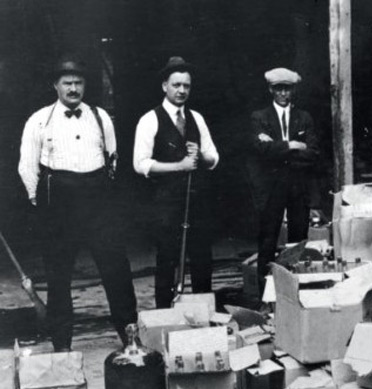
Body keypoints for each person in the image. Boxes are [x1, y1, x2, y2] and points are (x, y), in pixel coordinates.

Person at [17, 57, 137, 351]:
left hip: (98, 201)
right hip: (59, 204)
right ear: (55, 85)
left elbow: (113, 157)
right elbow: (27, 167)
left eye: (78, 83)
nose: (73, 88)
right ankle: (62, 348)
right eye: (67, 83)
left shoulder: (100, 117)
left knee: (117, 272)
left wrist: (101, 192)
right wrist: (41, 202)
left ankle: (132, 340)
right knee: (59, 278)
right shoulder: (39, 120)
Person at [133, 56, 220, 309]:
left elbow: (214, 158)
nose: (182, 91)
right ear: (164, 86)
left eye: (186, 86)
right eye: (176, 85)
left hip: (197, 201)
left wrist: (201, 155)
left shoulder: (197, 118)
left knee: (202, 259)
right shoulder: (149, 120)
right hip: (166, 203)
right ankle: (164, 317)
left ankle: (205, 318)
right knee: (167, 261)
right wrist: (178, 166)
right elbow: (140, 163)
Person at [247, 67, 322, 292]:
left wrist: (276, 148)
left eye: (287, 89)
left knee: (298, 239)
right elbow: (261, 150)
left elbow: (313, 153)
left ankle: (296, 291)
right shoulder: (259, 117)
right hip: (271, 187)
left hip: (299, 186)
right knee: (268, 238)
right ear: (271, 89)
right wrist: (292, 145)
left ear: (293, 90)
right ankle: (265, 294)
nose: (283, 94)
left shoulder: (304, 117)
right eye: (278, 89)